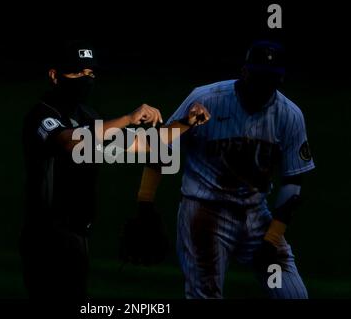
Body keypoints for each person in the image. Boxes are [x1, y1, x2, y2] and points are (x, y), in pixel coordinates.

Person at [20, 41, 209, 301]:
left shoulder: (87, 115)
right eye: (77, 72)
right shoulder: (41, 115)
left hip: (78, 235)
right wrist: (127, 119)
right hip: (46, 239)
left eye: (90, 73)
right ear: (54, 76)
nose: (86, 79)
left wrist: (185, 124)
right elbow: (68, 141)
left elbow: (143, 144)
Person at [127, 41, 315, 299]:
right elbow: (161, 147)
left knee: (292, 295)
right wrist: (145, 204)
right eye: (258, 76)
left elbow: (294, 179)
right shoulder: (205, 99)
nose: (262, 85)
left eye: (269, 79)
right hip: (203, 212)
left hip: (256, 216)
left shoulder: (289, 115)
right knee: (204, 295)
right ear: (245, 72)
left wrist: (272, 238)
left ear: (280, 79)